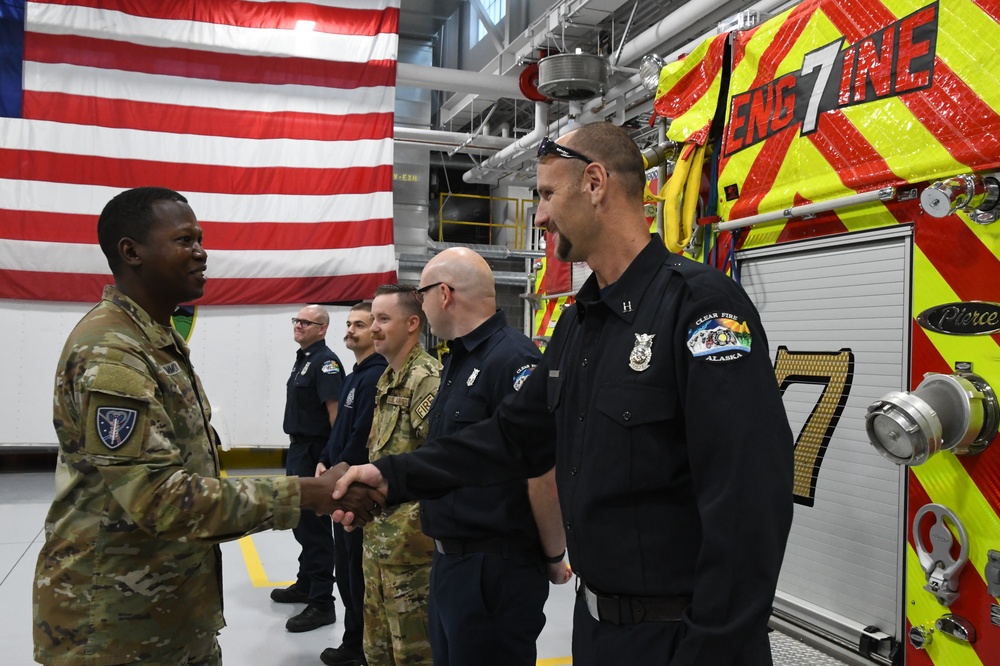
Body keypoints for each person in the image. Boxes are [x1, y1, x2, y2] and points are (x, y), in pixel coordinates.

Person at [333, 123, 795, 666]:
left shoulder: (699, 307)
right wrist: (392, 475)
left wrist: (714, 648)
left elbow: (748, 499)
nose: (541, 215)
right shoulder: (582, 323)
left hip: (679, 640)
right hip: (598, 629)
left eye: (548, 194)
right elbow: (511, 438)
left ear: (595, 182)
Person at [32, 186, 384, 666]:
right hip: (114, 628)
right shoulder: (112, 350)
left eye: (200, 239)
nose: (201, 253)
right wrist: (305, 493)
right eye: (184, 240)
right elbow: (160, 500)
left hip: (165, 614)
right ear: (131, 252)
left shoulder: (153, 343)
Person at [413, 247, 571, 666]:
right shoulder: (460, 359)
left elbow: (543, 472)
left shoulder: (513, 360)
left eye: (421, 294)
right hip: (453, 562)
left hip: (495, 569)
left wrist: (554, 556)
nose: (422, 304)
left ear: (444, 294)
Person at [360, 284, 440, 666]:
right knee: (378, 652)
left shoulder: (426, 379)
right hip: (379, 542)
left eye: (382, 319)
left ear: (412, 323)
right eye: (373, 318)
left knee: (413, 655)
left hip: (410, 551)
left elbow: (440, 466)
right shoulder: (389, 378)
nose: (373, 327)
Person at [316, 302, 387, 666]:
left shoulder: (376, 377)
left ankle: (359, 645)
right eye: (348, 324)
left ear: (374, 330)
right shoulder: (353, 375)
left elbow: (361, 437)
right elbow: (339, 431)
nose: (350, 330)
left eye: (358, 324)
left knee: (358, 575)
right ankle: (352, 639)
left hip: (355, 490)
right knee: (344, 571)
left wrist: (338, 471)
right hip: (339, 481)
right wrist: (324, 459)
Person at [270, 304, 344, 632]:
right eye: (296, 320)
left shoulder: (325, 363)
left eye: (306, 322)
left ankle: (321, 602)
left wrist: (329, 457)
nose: (298, 325)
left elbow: (335, 413)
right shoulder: (305, 359)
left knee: (314, 528)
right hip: (299, 449)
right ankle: (305, 583)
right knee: (302, 523)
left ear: (322, 328)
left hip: (314, 450)